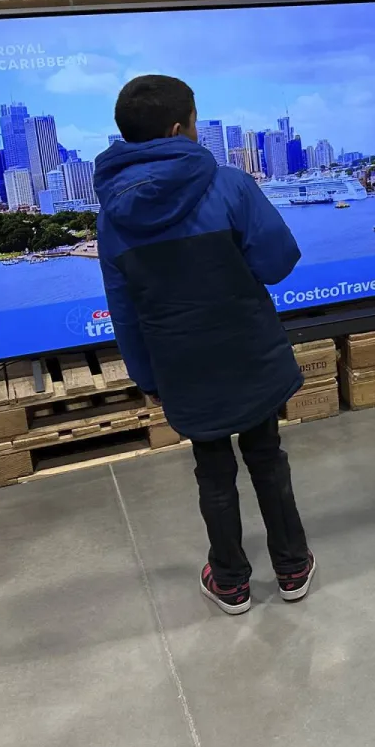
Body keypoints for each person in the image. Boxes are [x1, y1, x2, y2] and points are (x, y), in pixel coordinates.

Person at [93, 74, 315, 616]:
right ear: (179, 129)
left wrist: (147, 378)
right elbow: (278, 262)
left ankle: (231, 581)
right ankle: (292, 567)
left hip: (182, 364)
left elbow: (125, 311)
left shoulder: (110, 216)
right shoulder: (231, 185)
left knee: (213, 471)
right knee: (267, 457)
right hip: (249, 351)